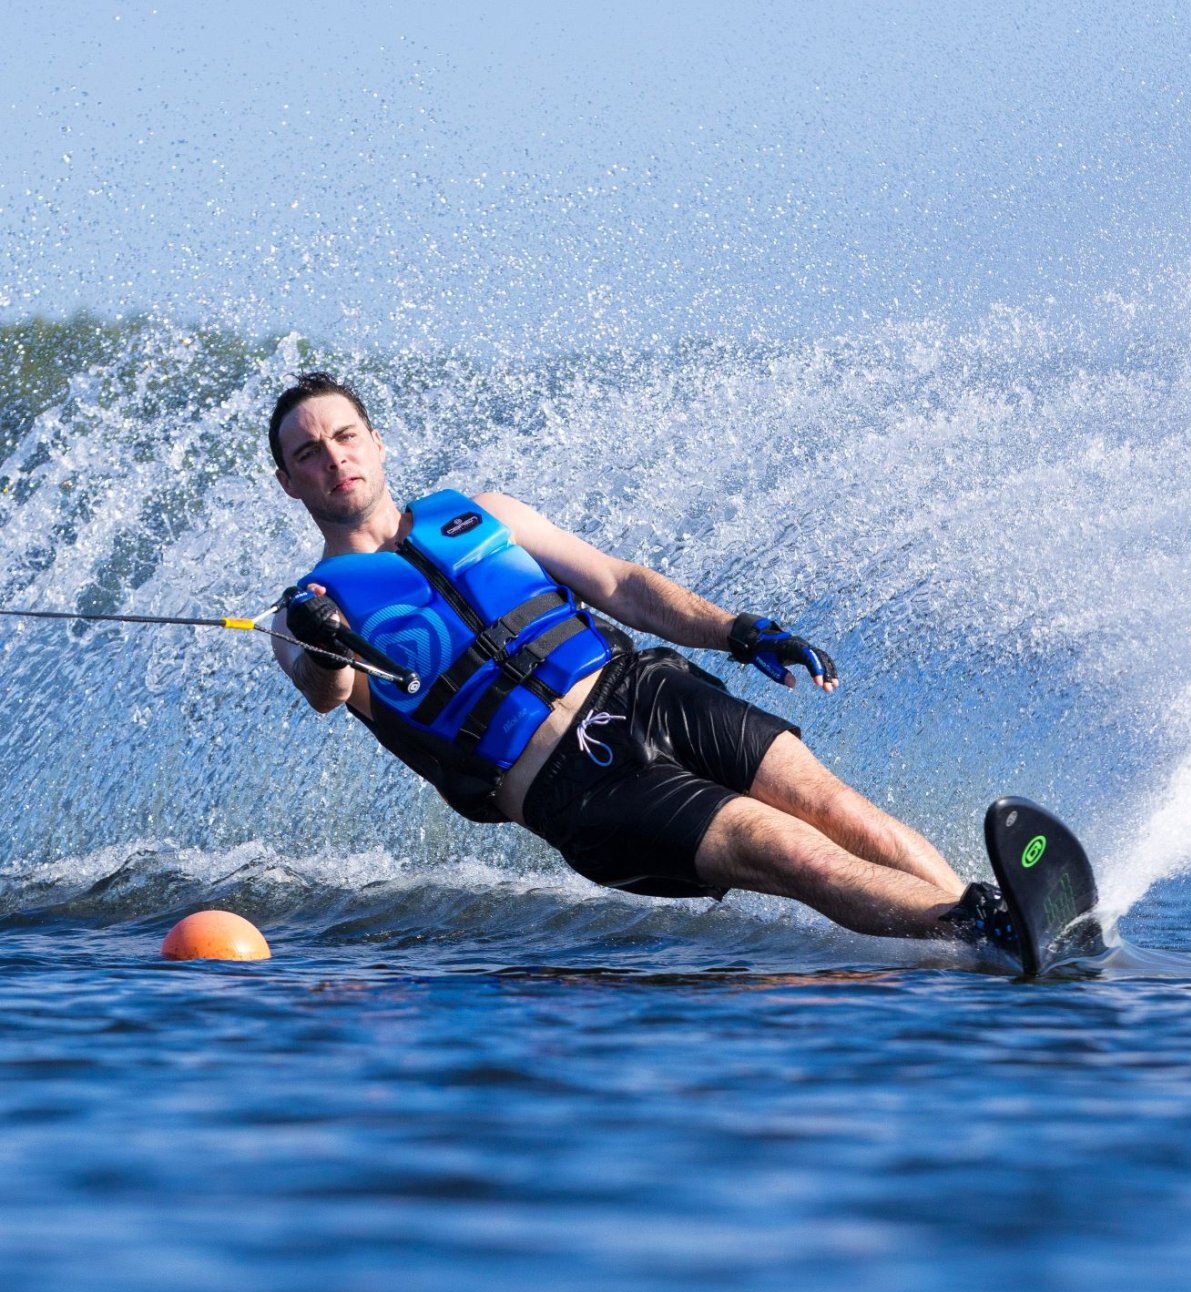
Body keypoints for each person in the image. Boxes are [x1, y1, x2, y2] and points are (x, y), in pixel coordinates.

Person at [268, 372, 1020, 958]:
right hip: (575, 787)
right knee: (792, 853)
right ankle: (974, 929)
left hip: (646, 691)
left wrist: (740, 632)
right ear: (289, 482)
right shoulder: (307, 610)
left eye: (345, 435)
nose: (334, 457)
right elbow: (328, 692)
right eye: (308, 453)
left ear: (377, 442)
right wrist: (322, 637)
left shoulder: (483, 511)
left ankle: (1002, 923)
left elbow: (619, 585)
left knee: (839, 811)